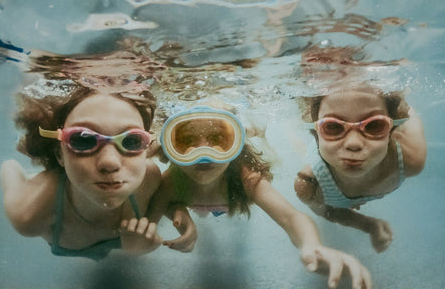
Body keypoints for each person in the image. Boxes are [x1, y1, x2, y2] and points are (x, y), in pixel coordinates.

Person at [147, 104, 372, 289]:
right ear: (170, 147)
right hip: (197, 204)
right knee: (202, 214)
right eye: (186, 142)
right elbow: (155, 214)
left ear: (236, 145)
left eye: (219, 140)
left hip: (227, 202)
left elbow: (291, 218)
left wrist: (311, 245)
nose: (204, 155)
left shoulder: (245, 179)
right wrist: (180, 213)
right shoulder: (170, 182)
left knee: (212, 215)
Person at [0, 84, 196, 260]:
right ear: (59, 154)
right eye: (83, 140)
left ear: (145, 149)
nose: (110, 163)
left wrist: (181, 215)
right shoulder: (28, 213)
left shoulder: (150, 176)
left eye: (131, 141)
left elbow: (163, 198)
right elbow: (9, 166)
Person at [294, 86, 427, 253]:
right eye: (333, 127)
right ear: (315, 132)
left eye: (374, 125)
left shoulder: (412, 159)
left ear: (392, 130)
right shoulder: (309, 185)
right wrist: (369, 225)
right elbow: (328, 212)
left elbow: (408, 114)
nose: (353, 144)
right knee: (300, 148)